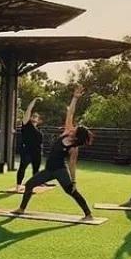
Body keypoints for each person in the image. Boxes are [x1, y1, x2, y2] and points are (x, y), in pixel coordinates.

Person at [14, 85, 95, 220]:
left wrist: (74, 181)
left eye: (76, 129)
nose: (73, 128)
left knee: (71, 191)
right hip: (49, 170)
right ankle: (21, 209)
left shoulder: (74, 147)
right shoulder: (67, 132)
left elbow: (72, 164)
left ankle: (88, 214)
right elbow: (70, 114)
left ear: (77, 135)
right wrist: (75, 98)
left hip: (60, 171)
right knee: (29, 184)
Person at [16, 97, 44, 191]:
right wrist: (34, 100)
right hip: (27, 151)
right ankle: (18, 186)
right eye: (33, 116)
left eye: (36, 117)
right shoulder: (26, 125)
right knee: (22, 168)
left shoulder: (38, 130)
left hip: (37, 152)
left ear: (38, 120)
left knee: (36, 170)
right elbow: (28, 110)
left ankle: (34, 185)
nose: (34, 118)